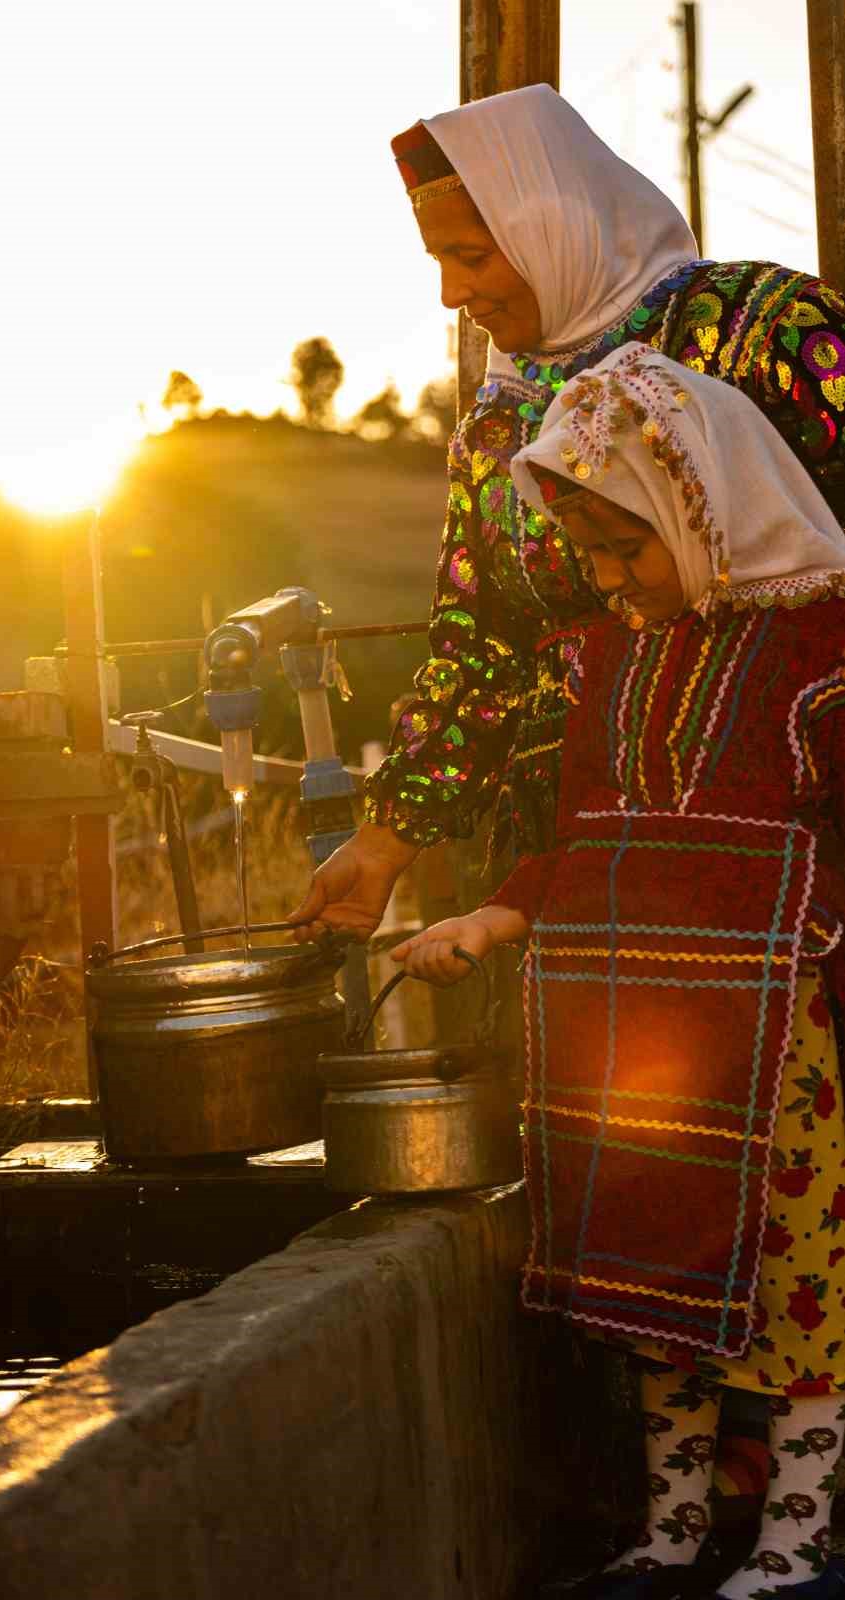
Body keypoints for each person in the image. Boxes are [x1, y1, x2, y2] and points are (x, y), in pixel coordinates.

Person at [391, 344, 845, 1600]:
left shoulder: (824, 642)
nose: (608, 579)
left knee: (795, 1276)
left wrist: (816, 924)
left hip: (773, 1043)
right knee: (656, 1268)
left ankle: (798, 1542)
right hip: (636, 1038)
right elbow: (582, 833)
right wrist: (495, 912)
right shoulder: (606, 660)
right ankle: (673, 1531)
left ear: (702, 504)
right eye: (588, 555)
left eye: (626, 548)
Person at [291, 84, 845, 949]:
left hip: (790, 835)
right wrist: (385, 838)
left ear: (547, 225)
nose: (449, 292)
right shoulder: (500, 419)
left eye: (471, 256)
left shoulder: (762, 332)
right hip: (568, 862)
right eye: (438, 260)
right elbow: (481, 644)